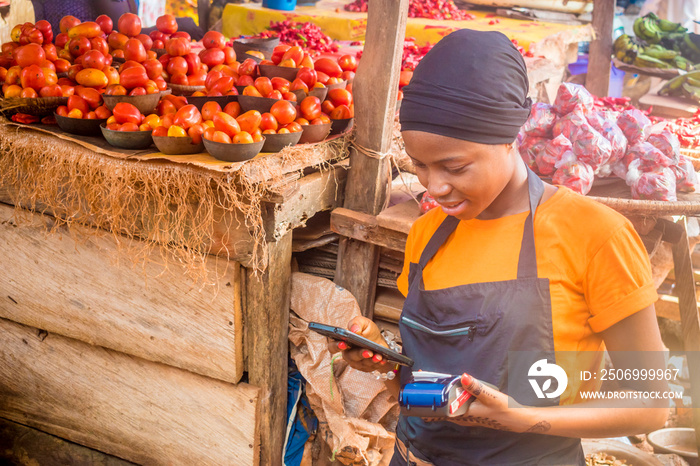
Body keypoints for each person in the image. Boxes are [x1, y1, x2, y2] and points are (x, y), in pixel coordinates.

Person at [330, 29, 669, 465]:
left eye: (454, 167)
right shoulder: (427, 235)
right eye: (419, 165)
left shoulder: (597, 236)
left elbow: (654, 403)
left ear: (510, 138)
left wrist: (523, 417)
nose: (434, 187)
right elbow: (430, 381)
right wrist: (387, 360)